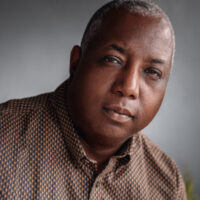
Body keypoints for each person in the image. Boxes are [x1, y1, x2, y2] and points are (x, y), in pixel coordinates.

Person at [0, 0, 187, 199]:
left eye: (152, 72)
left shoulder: (167, 183)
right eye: (113, 60)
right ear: (76, 63)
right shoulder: (4, 137)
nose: (129, 88)